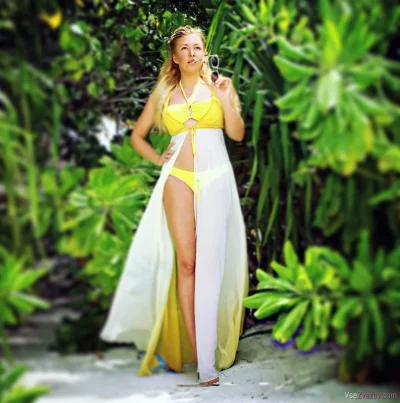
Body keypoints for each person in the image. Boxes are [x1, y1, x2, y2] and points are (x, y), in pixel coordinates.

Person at [100, 25, 249, 387]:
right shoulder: (164, 92)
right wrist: (157, 159)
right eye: (185, 48)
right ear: (175, 56)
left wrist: (227, 99)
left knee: (210, 263)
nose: (192, 53)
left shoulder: (220, 86)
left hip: (215, 176)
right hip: (176, 179)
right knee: (187, 263)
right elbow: (137, 136)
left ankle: (209, 359)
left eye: (198, 47)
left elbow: (237, 133)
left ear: (204, 51)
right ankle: (201, 357)